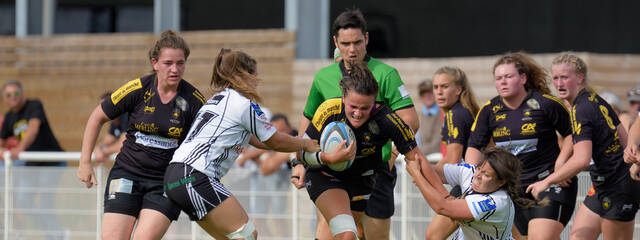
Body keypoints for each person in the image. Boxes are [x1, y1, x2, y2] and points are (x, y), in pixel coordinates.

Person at [164, 49, 320, 240]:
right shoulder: (243, 104)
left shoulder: (217, 100)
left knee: (229, 237)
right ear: (243, 75)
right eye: (255, 74)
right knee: (247, 234)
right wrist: (305, 143)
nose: (257, 80)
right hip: (194, 176)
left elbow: (260, 140)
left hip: (177, 176)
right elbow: (274, 140)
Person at [295, 8, 419, 239]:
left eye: (357, 42)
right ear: (335, 42)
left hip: (375, 168)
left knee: (374, 234)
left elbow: (410, 120)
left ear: (367, 39)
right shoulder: (323, 77)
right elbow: (309, 119)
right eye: (345, 43)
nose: (352, 50)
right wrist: (299, 162)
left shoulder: (387, 74)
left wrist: (391, 154)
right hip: (333, 168)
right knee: (333, 232)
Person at [77, 30, 206, 239]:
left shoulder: (193, 100)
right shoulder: (137, 89)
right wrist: (85, 162)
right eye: (168, 63)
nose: (175, 69)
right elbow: (96, 117)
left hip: (167, 183)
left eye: (180, 63)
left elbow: (206, 142)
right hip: (126, 174)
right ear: (155, 63)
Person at [298, 61, 446, 240]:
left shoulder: (387, 120)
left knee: (357, 233)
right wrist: (327, 158)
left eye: (365, 108)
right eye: (353, 106)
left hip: (363, 179)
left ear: (375, 102)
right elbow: (301, 152)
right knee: (346, 234)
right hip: (326, 174)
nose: (358, 114)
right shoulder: (329, 110)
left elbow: (417, 157)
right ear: (343, 97)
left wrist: (445, 197)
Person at [527, 53, 640, 240]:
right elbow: (624, 138)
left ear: (579, 78)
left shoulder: (581, 109)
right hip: (603, 183)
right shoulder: (592, 99)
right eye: (556, 78)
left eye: (565, 77)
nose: (559, 83)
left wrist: (547, 181)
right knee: (579, 237)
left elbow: (582, 160)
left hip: (618, 185)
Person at [465, 52, 576, 240]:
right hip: (512, 191)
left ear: (523, 78)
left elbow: (573, 134)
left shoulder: (546, 104)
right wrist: (471, 178)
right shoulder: (489, 110)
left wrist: (562, 164)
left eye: (509, 77)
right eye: (498, 78)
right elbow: (474, 147)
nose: (503, 82)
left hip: (549, 183)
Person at [408, 147, 542, 240]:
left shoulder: (495, 203)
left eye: (486, 175)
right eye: (479, 169)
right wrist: (409, 144)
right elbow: (434, 172)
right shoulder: (472, 172)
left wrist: (417, 175)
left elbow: (443, 207)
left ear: (501, 182)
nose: (478, 175)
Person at [0, 80, 67, 239]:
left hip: (52, 162)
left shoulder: (34, 105)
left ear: (22, 93)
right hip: (32, 165)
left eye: (16, 93)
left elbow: (33, 128)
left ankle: (54, 235)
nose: (13, 98)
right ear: (4, 98)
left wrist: (19, 148)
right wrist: (3, 151)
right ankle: (56, 232)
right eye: (8, 95)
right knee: (24, 201)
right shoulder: (9, 117)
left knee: (45, 202)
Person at [423, 66, 479, 240]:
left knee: (434, 235)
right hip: (477, 183)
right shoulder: (459, 111)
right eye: (436, 87)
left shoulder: (455, 115)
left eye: (445, 87)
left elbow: (453, 160)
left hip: (472, 185)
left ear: (459, 89)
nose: (438, 92)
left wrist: (425, 172)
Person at [92, 91, 129, 165]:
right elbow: (108, 140)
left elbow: (122, 146)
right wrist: (97, 148)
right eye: (99, 107)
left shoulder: (127, 116)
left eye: (103, 107)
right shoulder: (115, 121)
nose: (101, 111)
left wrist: (103, 152)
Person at [415, 79, 442, 156]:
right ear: (420, 98)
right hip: (423, 155)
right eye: (423, 94)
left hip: (435, 158)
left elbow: (437, 145)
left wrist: (415, 153)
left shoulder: (441, 114)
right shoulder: (422, 115)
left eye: (430, 92)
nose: (427, 96)